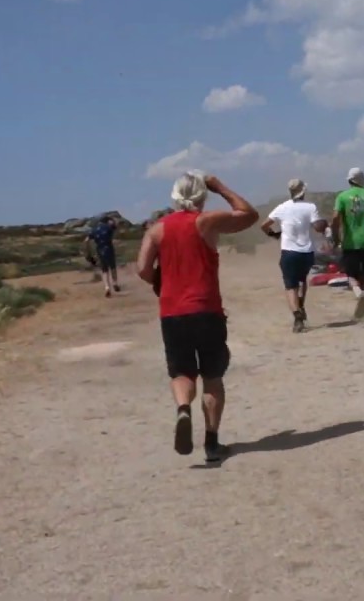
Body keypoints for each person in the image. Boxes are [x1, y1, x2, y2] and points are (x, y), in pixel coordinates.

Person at [136, 171, 258, 463]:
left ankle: (182, 409)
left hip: (172, 312)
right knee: (212, 377)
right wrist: (219, 186)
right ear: (202, 195)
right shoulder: (206, 222)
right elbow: (249, 214)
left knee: (182, 373)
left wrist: (159, 282)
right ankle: (212, 444)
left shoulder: (157, 229)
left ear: (174, 196)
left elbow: (142, 268)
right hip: (206, 310)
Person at [261, 179, 327, 333]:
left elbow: (264, 225)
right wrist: (323, 224)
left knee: (290, 286)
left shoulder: (282, 207)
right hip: (307, 252)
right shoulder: (311, 207)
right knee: (303, 280)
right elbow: (317, 227)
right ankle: (301, 306)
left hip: (289, 252)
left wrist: (274, 234)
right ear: (304, 191)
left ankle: (297, 315)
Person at [332, 167, 364, 326]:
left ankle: (357, 292)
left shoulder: (342, 197)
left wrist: (336, 238)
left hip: (351, 242)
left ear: (349, 180)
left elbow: (335, 219)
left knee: (351, 274)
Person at [86, 216, 122, 297]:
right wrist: (113, 222)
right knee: (112, 267)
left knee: (104, 270)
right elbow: (116, 227)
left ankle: (107, 288)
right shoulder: (109, 227)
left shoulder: (94, 230)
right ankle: (115, 283)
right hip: (109, 249)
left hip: (100, 250)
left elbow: (86, 240)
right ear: (107, 221)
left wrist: (88, 251)